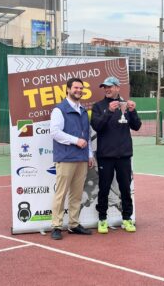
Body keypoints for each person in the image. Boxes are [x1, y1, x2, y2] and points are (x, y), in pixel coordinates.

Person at [91, 76, 141, 234]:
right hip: (106, 156)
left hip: (124, 156)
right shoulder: (98, 106)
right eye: (105, 87)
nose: (107, 89)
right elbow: (97, 126)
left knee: (125, 189)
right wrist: (109, 111)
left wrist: (132, 111)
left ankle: (127, 218)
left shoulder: (126, 105)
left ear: (118, 88)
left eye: (110, 86)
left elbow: (137, 126)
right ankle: (102, 219)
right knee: (104, 188)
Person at [50, 77, 94, 240]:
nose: (79, 90)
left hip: (81, 158)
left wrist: (89, 154)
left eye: (81, 88)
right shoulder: (59, 109)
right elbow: (54, 132)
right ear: (68, 89)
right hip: (66, 157)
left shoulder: (83, 110)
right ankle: (56, 225)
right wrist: (76, 141)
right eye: (76, 88)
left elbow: (87, 135)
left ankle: (74, 224)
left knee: (76, 194)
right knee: (61, 194)